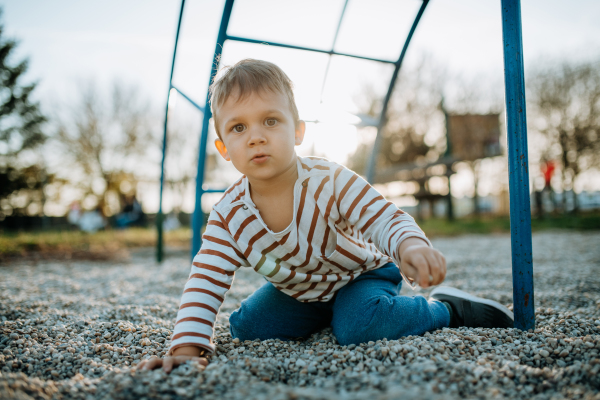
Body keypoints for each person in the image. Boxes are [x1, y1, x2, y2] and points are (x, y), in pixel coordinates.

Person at [138, 59, 514, 373]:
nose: (256, 136)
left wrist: (409, 244)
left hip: (360, 274)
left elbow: (379, 213)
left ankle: (446, 309)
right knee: (247, 326)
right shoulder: (228, 215)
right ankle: (327, 315)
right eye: (239, 127)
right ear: (223, 148)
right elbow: (206, 277)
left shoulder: (327, 180)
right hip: (303, 293)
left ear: (298, 130)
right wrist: (187, 348)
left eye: (271, 121)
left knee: (359, 326)